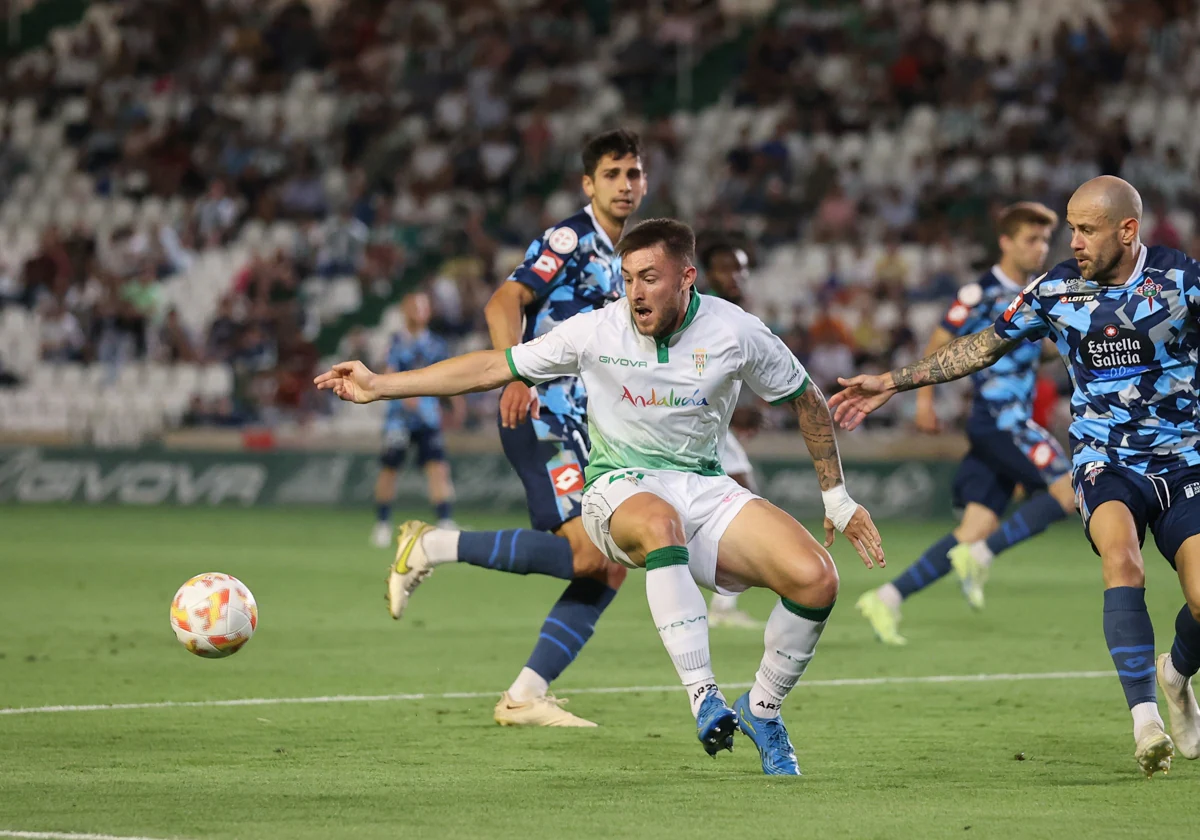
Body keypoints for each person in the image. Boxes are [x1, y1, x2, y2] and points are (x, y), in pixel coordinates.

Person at [317, 218, 884, 775]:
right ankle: (703, 695)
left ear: (688, 277)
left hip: (705, 487)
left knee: (817, 579)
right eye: (629, 277)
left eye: (650, 278)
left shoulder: (736, 331)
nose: (636, 292)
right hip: (618, 488)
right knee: (661, 523)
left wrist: (837, 499)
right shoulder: (596, 331)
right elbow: (494, 366)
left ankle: (762, 710)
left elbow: (807, 398)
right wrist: (380, 385)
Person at [829, 176, 1200, 778]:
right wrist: (894, 383)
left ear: (1127, 231)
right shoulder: (1056, 289)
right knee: (1121, 558)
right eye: (1069, 227)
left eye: (1086, 229)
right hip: (1104, 461)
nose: (1073, 241)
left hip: (1186, 462)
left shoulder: (1181, 281)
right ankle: (1145, 720)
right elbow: (980, 346)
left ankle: (1177, 674)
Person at [384, 129, 646, 727]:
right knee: (589, 553)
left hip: (583, 422)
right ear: (589, 184)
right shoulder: (570, 237)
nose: (626, 185)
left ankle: (526, 695)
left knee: (611, 562)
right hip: (537, 409)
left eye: (634, 173)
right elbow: (504, 301)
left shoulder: (622, 254)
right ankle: (429, 545)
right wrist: (514, 374)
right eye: (613, 174)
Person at [856, 203, 1077, 645]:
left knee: (973, 528)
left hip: (1006, 422)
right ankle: (982, 555)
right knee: (1070, 492)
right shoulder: (980, 294)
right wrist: (924, 402)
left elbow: (1036, 349)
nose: (1040, 249)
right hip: (1000, 420)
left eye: (1043, 241)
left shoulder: (1038, 293)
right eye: (1031, 240)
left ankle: (888, 597)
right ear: (1006, 242)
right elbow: (939, 343)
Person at [700, 241, 767, 629]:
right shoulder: (700, 312)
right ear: (708, 273)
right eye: (727, 268)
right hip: (691, 423)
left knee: (746, 504)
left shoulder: (735, 314)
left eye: (741, 268)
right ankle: (717, 605)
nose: (736, 276)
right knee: (747, 506)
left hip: (716, 425)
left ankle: (720, 605)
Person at [370, 291, 463, 547]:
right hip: (398, 419)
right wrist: (403, 393)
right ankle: (382, 523)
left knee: (438, 468)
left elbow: (448, 375)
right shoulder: (395, 342)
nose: (419, 312)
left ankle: (444, 521)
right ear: (405, 310)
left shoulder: (436, 344)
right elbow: (387, 373)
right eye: (415, 307)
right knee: (390, 470)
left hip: (427, 417)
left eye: (423, 307)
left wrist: (455, 402)